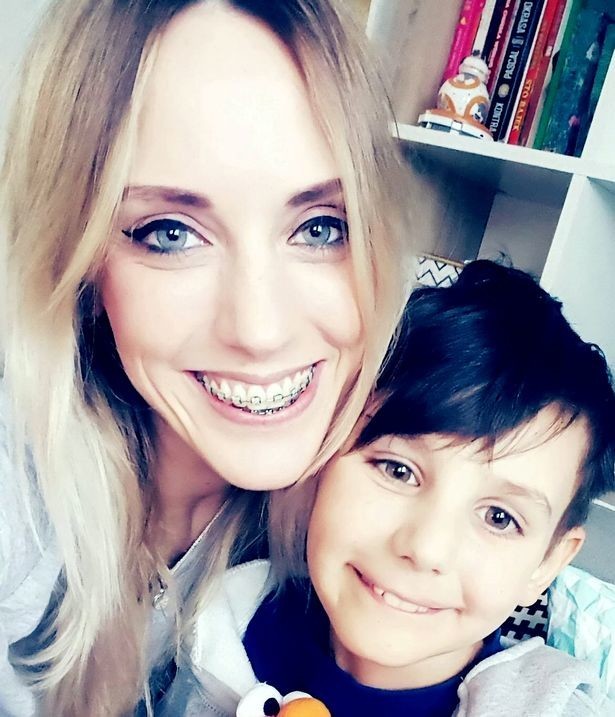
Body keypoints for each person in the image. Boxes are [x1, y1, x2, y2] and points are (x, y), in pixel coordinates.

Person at [0, 1, 415, 714]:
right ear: (78, 264)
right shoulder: (19, 489)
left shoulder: (387, 502)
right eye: (169, 233)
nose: (260, 329)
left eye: (321, 227)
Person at [177, 260, 615, 716]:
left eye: (499, 518)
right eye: (398, 471)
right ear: (324, 458)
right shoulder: (214, 623)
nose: (425, 548)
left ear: (546, 564)